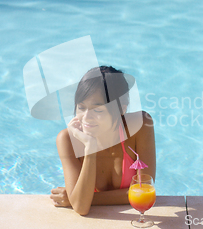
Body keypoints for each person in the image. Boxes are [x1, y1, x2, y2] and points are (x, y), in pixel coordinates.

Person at [50, 66, 156, 216]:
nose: (86, 117)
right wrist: (89, 147)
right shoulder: (68, 140)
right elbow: (81, 208)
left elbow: (144, 191)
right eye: (81, 107)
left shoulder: (140, 126)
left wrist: (77, 198)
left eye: (98, 110)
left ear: (121, 110)